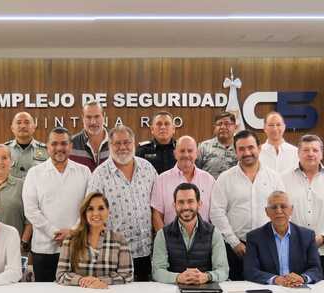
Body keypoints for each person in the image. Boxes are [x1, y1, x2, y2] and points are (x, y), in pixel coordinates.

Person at [210, 129, 285, 293]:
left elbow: (280, 209)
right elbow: (216, 212)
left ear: (259, 148)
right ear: (235, 151)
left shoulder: (273, 178)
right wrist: (234, 242)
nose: (247, 152)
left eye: (251, 147)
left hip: (266, 248)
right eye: (241, 149)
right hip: (233, 248)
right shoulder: (225, 178)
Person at [22, 127, 91, 293]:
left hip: (76, 247)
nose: (59, 148)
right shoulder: (35, 173)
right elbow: (31, 210)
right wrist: (54, 232)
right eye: (54, 144)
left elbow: (89, 207)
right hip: (44, 248)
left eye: (64, 143)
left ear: (70, 146)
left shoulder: (83, 172)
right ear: (47, 146)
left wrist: (72, 232)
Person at [89, 125, 157, 281]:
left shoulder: (147, 168)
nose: (122, 147)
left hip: (147, 251)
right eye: (117, 143)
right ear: (110, 146)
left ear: (133, 143)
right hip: (115, 253)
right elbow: (92, 215)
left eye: (127, 142)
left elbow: (157, 206)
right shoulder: (100, 174)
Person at [282, 134, 324, 280]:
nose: (310, 154)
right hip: (290, 249)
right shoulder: (283, 179)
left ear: (322, 154)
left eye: (315, 150)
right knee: (290, 289)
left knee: (322, 290)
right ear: (298, 153)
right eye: (306, 150)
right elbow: (278, 212)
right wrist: (295, 238)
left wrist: (323, 238)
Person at [151, 135, 215, 231]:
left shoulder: (209, 180)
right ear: (175, 153)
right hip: (171, 238)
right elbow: (157, 215)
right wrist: (164, 238)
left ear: (196, 153)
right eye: (182, 151)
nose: (186, 155)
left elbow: (215, 213)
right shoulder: (161, 180)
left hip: (204, 238)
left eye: (190, 151)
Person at [5, 112, 48, 179]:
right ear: (12, 128)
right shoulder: (4, 150)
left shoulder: (46, 150)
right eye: (19, 123)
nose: (23, 126)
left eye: (27, 122)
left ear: (34, 127)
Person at [69, 101, 110, 171]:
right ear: (83, 118)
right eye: (88, 117)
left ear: (104, 116)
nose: (93, 122)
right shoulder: (70, 145)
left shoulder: (118, 142)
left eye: (97, 116)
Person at [196, 112, 239, 179]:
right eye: (219, 124)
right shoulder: (204, 147)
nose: (222, 127)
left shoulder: (240, 147)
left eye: (227, 124)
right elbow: (195, 171)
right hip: (209, 185)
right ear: (215, 127)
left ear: (235, 127)